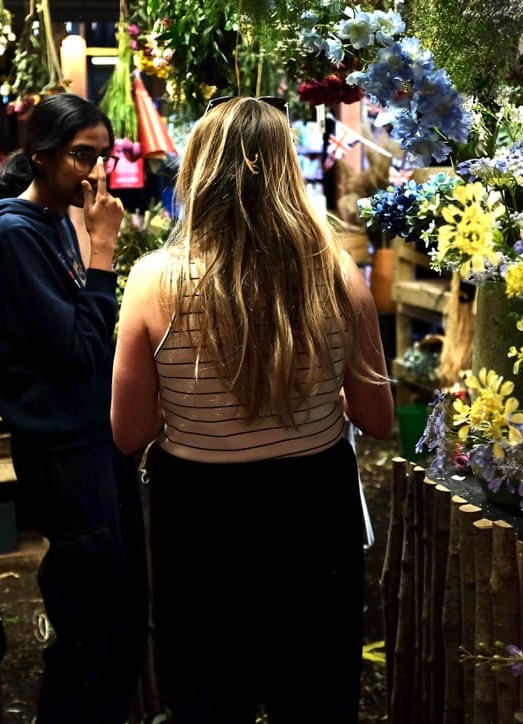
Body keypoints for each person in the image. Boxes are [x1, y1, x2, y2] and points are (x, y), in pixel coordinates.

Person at [111, 96, 394, 723]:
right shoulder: (338, 274)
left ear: (198, 173)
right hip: (314, 509)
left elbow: (129, 433)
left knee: (209, 701)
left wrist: (194, 404)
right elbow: (378, 420)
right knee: (316, 700)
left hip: (200, 516)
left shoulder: (152, 281)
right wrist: (318, 392)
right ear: (288, 170)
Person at [0, 93, 145, 724]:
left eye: (104, 157)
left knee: (113, 614)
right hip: (62, 452)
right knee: (94, 624)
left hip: (88, 438)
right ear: (39, 156)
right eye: (82, 156)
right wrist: (103, 252)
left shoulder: (52, 221)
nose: (96, 173)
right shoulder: (14, 236)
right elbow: (79, 354)